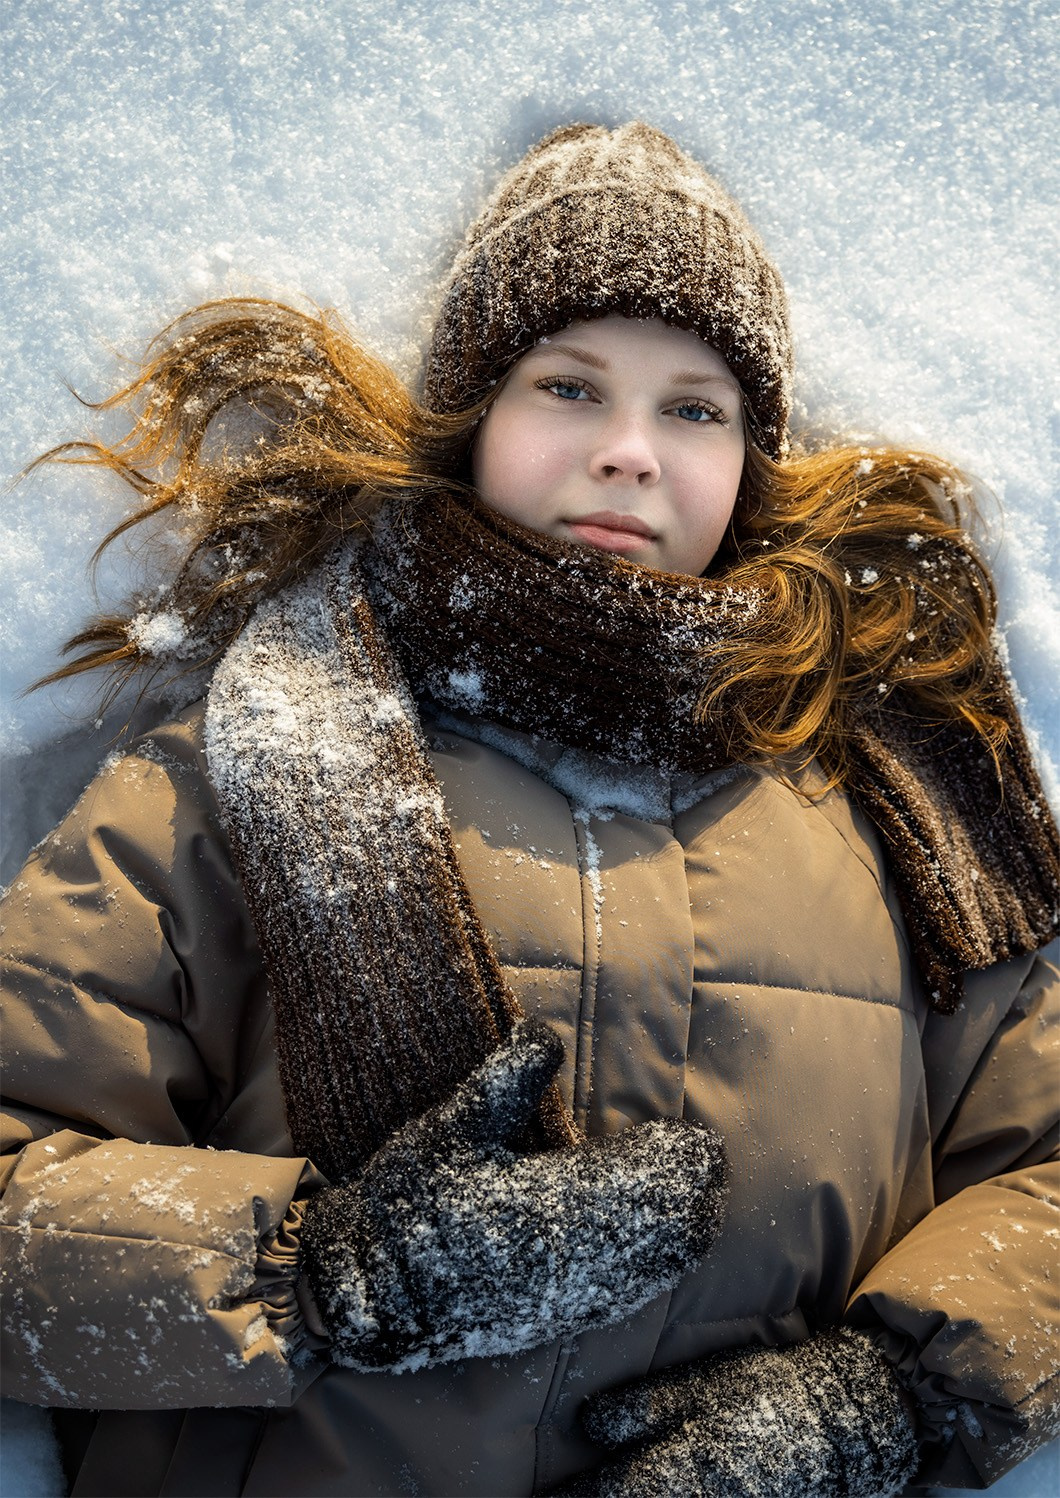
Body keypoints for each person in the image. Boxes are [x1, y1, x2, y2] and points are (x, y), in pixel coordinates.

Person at [1, 121, 1057, 1498]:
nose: (629, 451)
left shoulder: (890, 803)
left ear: (750, 461)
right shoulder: (244, 758)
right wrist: (321, 1275)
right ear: (476, 416)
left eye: (695, 408)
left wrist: (890, 1398)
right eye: (569, 386)